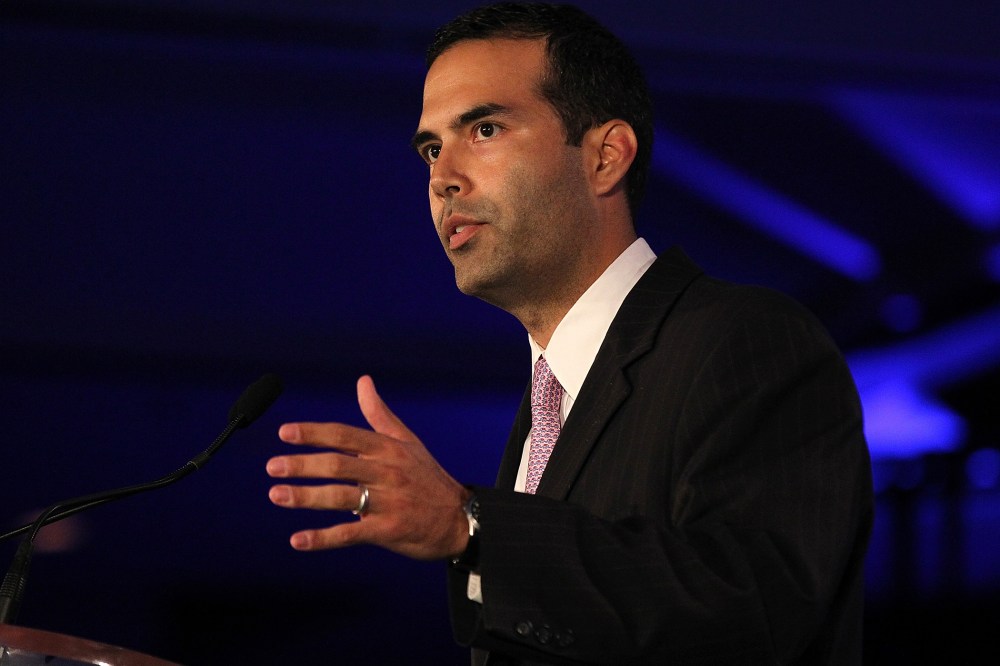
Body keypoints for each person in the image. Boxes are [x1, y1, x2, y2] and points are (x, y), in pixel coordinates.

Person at [265, 3, 874, 664]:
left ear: (605, 157)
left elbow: (753, 608)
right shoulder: (547, 404)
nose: (442, 179)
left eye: (485, 129)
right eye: (432, 149)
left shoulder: (748, 341)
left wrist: (471, 527)